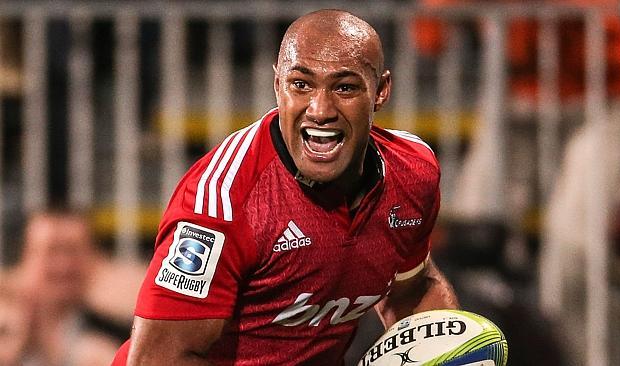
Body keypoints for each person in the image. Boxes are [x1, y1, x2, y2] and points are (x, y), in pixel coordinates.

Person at [113, 9, 459, 365]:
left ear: (381, 91)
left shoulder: (412, 172)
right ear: (277, 85)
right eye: (301, 84)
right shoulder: (222, 204)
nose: (320, 109)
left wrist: (448, 354)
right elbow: (156, 360)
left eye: (345, 87)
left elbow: (411, 292)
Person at [0, 209, 122, 366]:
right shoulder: (7, 320)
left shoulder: (114, 334)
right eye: (51, 250)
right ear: (25, 258)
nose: (63, 265)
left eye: (72, 250)